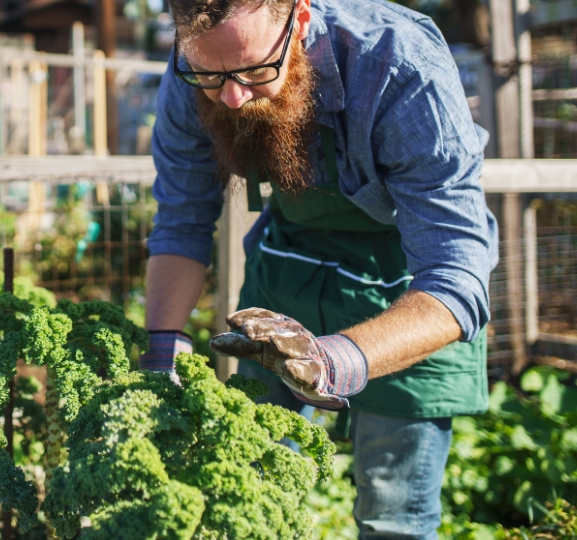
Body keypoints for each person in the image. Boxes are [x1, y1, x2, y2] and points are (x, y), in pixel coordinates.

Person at [139, 0, 499, 537]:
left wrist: (333, 362)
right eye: (210, 76)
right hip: (290, 274)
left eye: (255, 71)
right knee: (251, 490)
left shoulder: (399, 66)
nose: (231, 96)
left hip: (408, 291)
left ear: (300, 19)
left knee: (392, 515)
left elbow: (457, 275)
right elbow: (182, 221)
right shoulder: (191, 72)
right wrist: (163, 349)